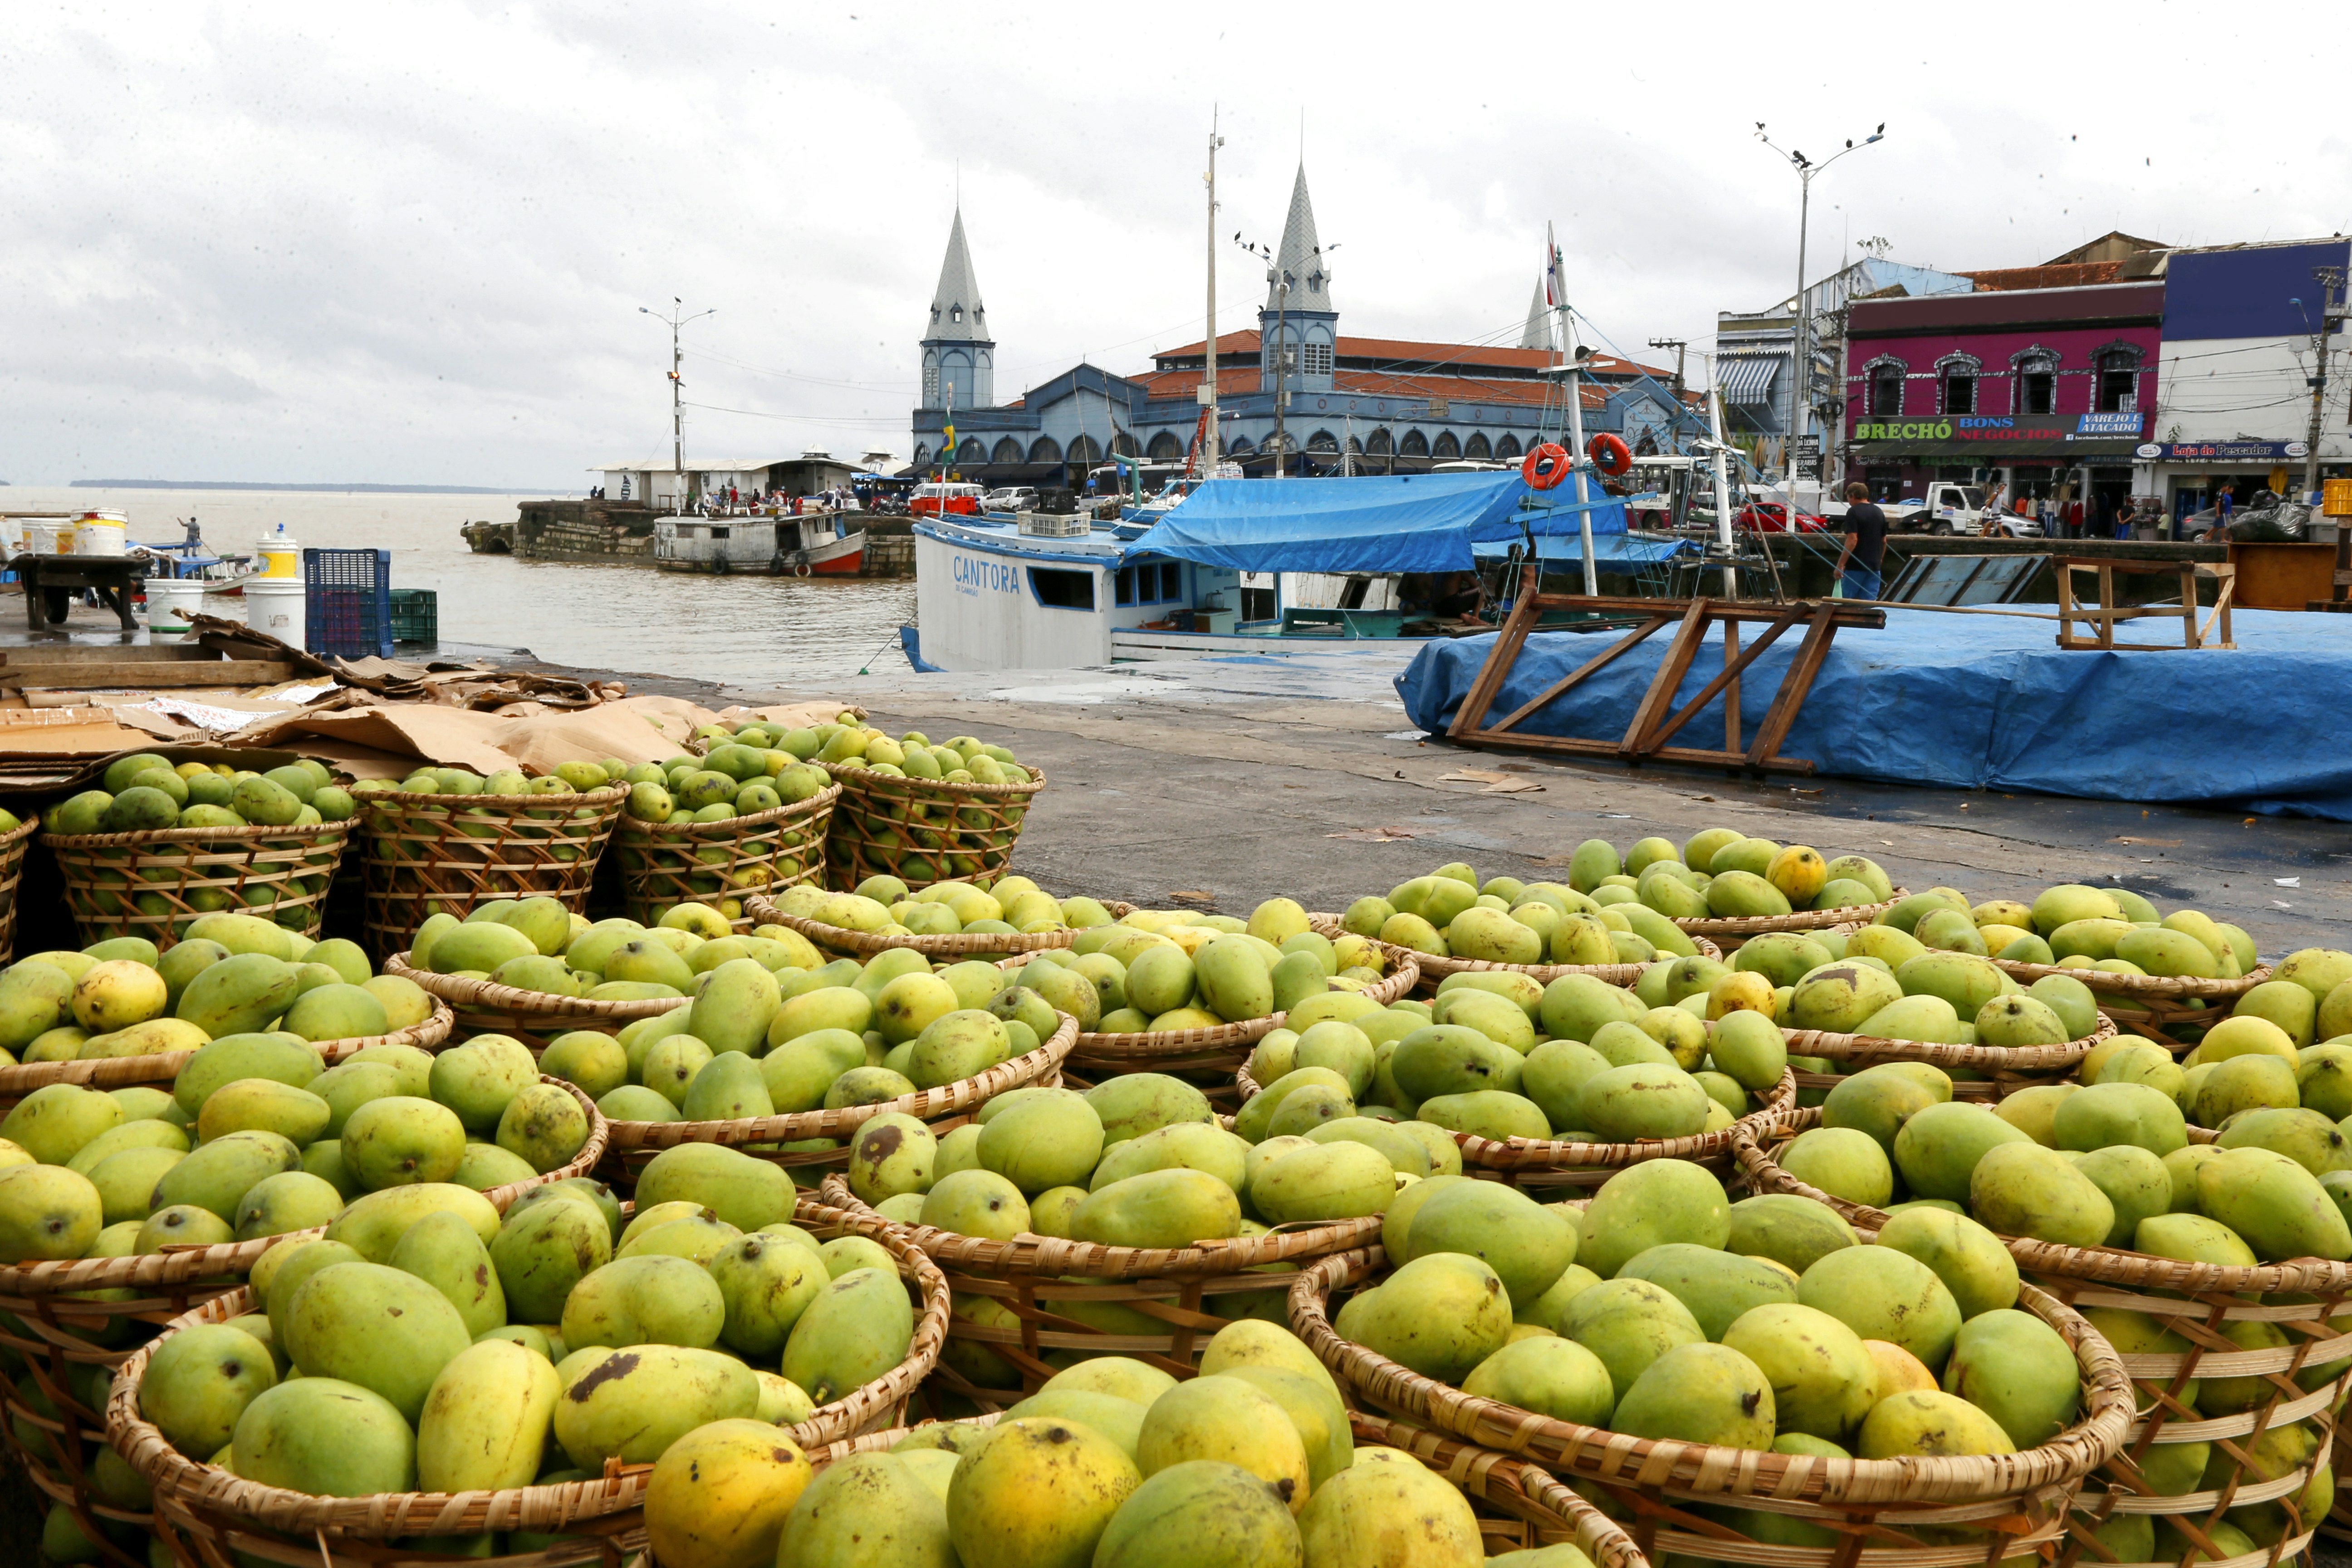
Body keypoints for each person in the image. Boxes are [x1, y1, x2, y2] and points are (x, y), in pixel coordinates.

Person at [1835, 480, 1886, 600]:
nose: (1848, 501)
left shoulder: (1853, 512)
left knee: (1847, 602)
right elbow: (1884, 541)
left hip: (1855, 566)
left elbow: (1853, 540)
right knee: (1869, 604)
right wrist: (1880, 560)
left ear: (1853, 496)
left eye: (1848, 497)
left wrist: (1840, 565)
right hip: (1874, 567)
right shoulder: (1879, 512)